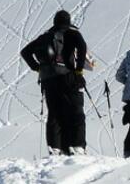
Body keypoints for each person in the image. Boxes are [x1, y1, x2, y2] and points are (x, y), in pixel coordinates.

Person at [21, 10, 87, 155]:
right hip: (67, 77)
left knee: (54, 113)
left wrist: (37, 68)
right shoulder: (72, 33)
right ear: (68, 21)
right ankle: (77, 146)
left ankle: (55, 148)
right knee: (75, 111)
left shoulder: (45, 36)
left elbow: (25, 52)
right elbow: (82, 47)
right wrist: (79, 70)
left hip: (48, 79)